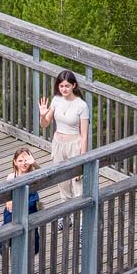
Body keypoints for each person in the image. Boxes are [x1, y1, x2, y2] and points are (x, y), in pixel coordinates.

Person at [37, 69, 89, 197]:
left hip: (74, 145)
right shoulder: (56, 100)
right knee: (62, 182)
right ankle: (65, 209)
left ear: (74, 85)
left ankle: (80, 210)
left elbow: (84, 136)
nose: (64, 89)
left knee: (77, 183)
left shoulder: (82, 105)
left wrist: (82, 159)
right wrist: (42, 115)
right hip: (58, 144)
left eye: (67, 86)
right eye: (61, 86)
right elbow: (44, 124)